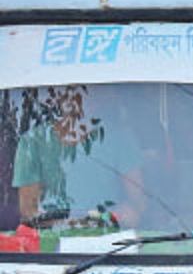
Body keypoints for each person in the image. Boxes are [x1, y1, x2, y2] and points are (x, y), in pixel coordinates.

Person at [13, 85, 146, 227]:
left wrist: (124, 215)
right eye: (69, 91)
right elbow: (28, 210)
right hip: (52, 241)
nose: (76, 99)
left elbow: (137, 204)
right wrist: (71, 224)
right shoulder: (33, 141)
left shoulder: (120, 138)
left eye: (84, 92)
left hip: (108, 240)